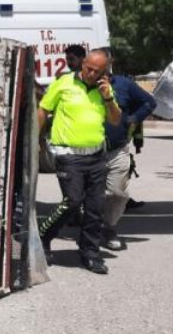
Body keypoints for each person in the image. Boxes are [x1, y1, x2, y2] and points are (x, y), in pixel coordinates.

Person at [37, 48, 122, 274]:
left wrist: (108, 97)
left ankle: (90, 253)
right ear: (83, 63)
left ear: (105, 71)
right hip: (69, 156)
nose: (91, 73)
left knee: (95, 207)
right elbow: (43, 109)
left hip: (96, 156)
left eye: (97, 71)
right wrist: (35, 139)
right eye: (88, 68)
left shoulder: (105, 89)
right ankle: (44, 234)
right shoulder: (64, 83)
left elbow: (115, 120)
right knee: (72, 203)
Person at [100, 52, 156, 251]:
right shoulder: (80, 86)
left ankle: (109, 227)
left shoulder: (124, 84)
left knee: (117, 193)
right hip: (86, 151)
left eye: (103, 65)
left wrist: (133, 119)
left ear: (109, 64)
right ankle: (90, 233)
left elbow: (149, 102)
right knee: (82, 196)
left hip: (117, 149)